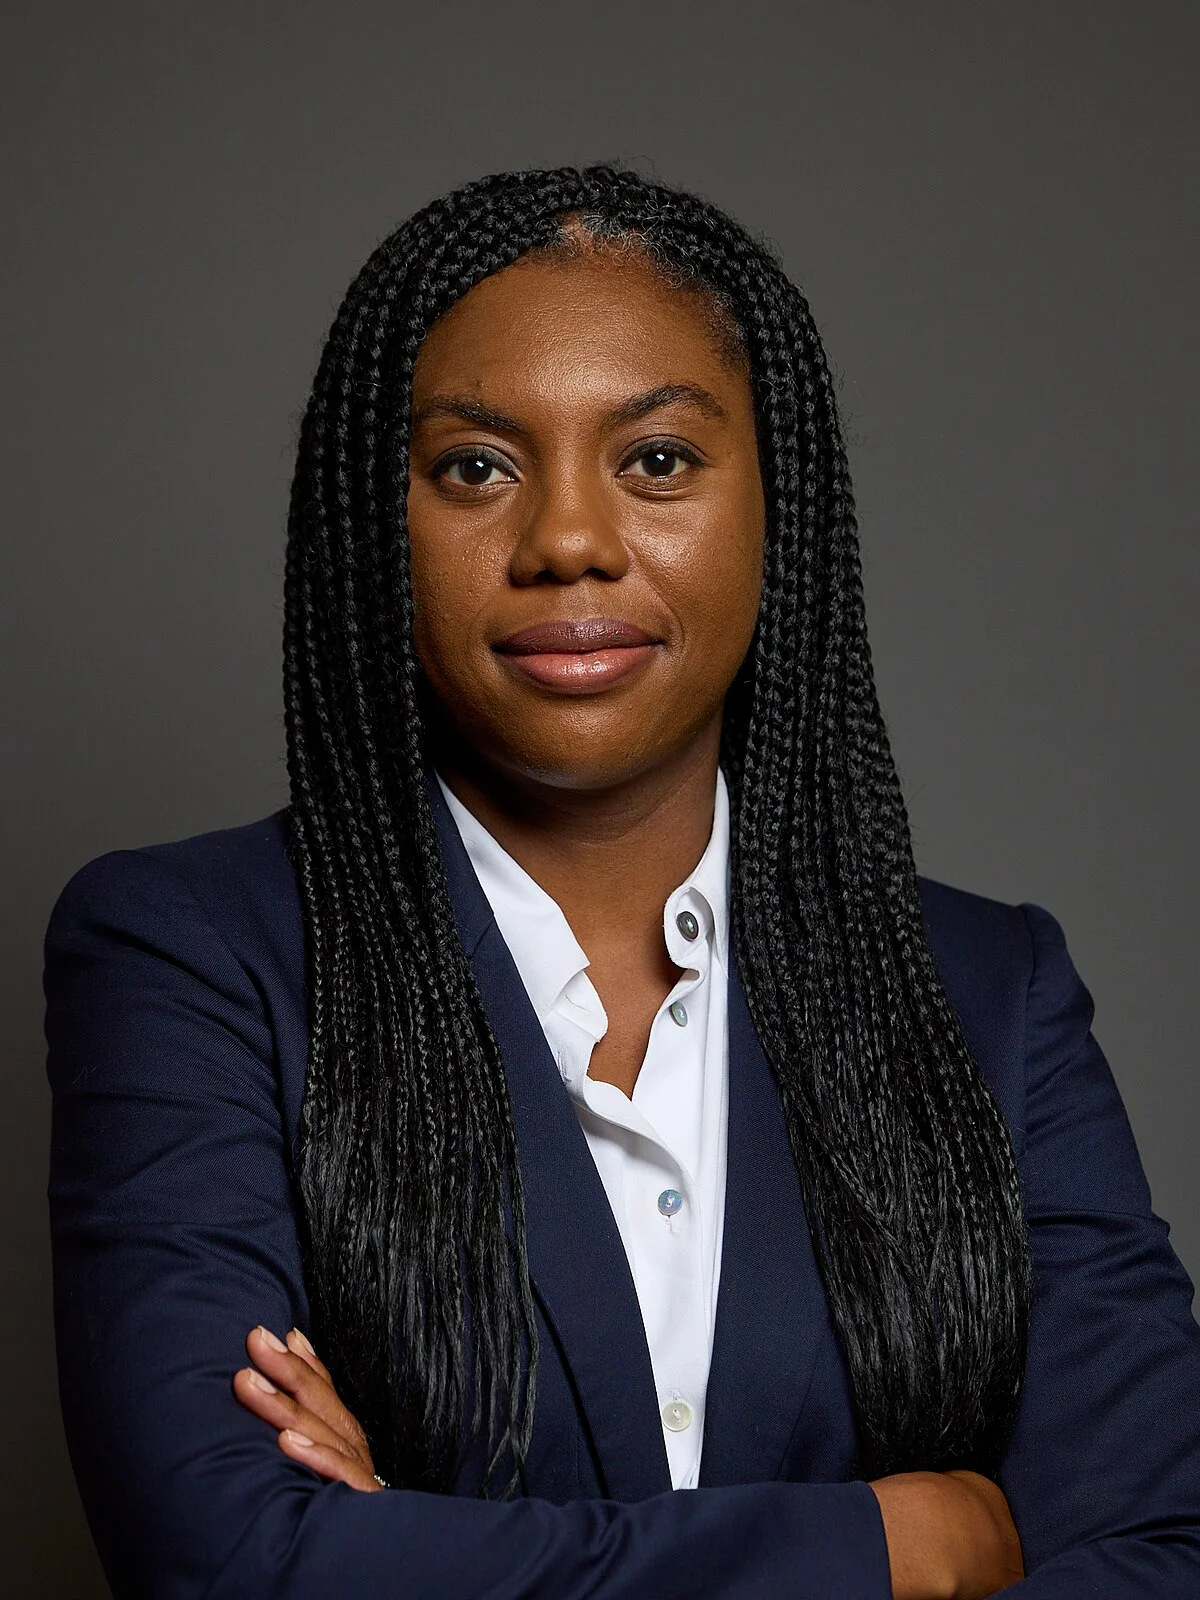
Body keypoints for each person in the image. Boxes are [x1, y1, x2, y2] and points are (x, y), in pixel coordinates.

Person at [43, 164, 1200, 1599]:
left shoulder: (991, 994)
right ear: (372, 520)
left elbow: (1160, 1553)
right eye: (475, 468)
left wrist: (416, 1544)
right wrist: (889, 1542)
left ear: (777, 507)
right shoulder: (196, 957)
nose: (569, 543)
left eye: (655, 460)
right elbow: (229, 1562)